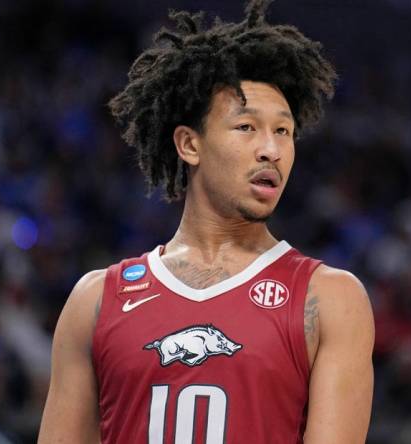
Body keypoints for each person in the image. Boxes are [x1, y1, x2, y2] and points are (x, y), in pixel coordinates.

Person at [38, 1, 374, 442]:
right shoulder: (96, 299)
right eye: (247, 128)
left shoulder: (330, 298)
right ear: (189, 145)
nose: (271, 149)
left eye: (283, 131)